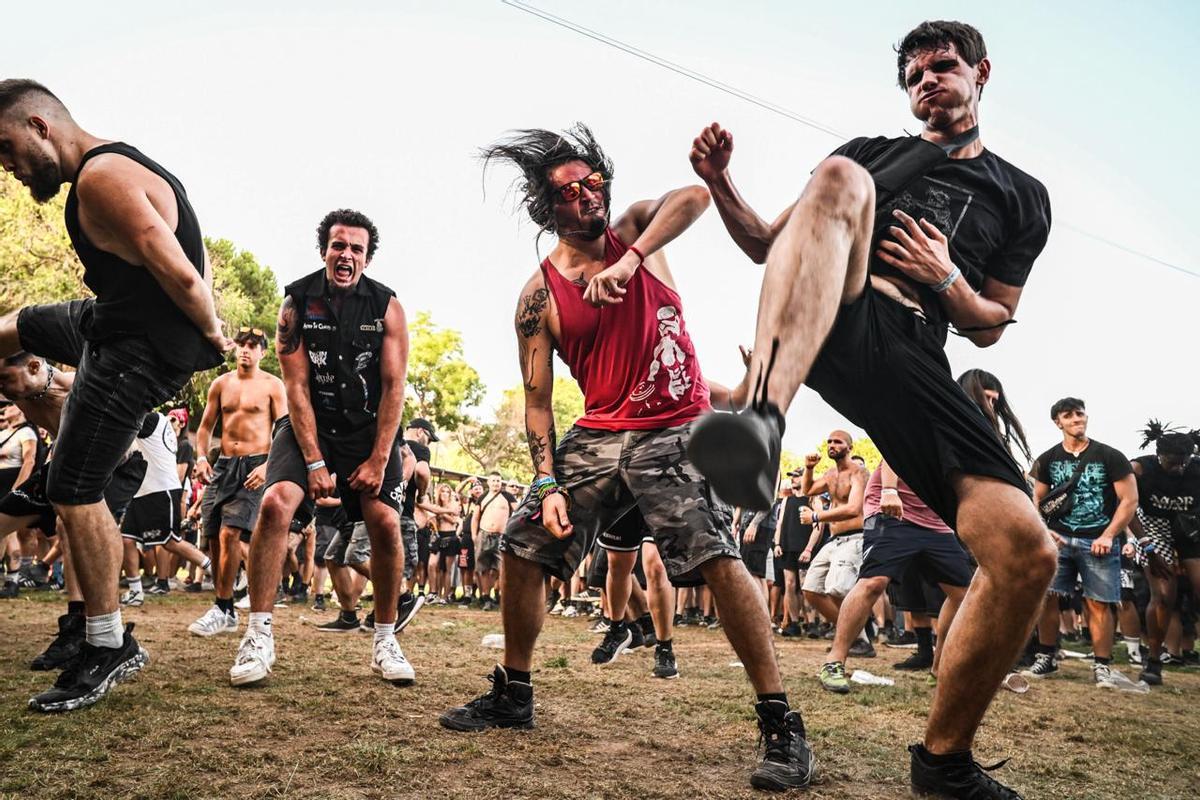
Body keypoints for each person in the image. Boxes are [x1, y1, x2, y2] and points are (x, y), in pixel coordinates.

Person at [683, 21, 1056, 796]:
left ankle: (943, 764)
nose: (927, 80)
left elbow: (992, 319)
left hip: (917, 352)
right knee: (842, 176)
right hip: (838, 314)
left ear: (980, 73)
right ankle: (759, 417)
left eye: (942, 66)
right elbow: (764, 244)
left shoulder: (1022, 194)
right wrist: (721, 181)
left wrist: (949, 277)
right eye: (914, 72)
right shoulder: (875, 153)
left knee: (1027, 553)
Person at [439, 124, 814, 791]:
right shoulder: (539, 295)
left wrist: (634, 258)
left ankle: (780, 721)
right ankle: (514, 694)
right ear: (545, 206)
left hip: (675, 428)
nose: (589, 195)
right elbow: (535, 402)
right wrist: (547, 480)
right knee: (522, 543)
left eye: (595, 182)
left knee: (714, 552)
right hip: (597, 432)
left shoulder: (641, 232)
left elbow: (694, 197)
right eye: (571, 189)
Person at [0, 79, 229, 712]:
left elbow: (182, 270)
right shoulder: (123, 163)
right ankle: (89, 625)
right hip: (113, 320)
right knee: (24, 326)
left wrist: (212, 333)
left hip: (137, 347)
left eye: (9, 149)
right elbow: (190, 256)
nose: (10, 168)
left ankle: (107, 643)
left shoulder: (99, 179)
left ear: (42, 126)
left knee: (72, 486)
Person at [226, 209, 412, 687]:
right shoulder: (296, 302)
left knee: (386, 520)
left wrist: (376, 458)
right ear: (324, 250)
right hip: (311, 424)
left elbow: (394, 389)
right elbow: (297, 387)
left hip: (370, 430)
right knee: (275, 502)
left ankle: (386, 637)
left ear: (367, 258)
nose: (345, 254)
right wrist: (312, 461)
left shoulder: (387, 307)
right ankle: (258, 635)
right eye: (338, 245)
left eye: (356, 248)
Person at [1027, 398, 1137, 688]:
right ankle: (1046, 657)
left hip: (1098, 539)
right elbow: (1035, 501)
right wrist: (1044, 532)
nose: (1077, 418)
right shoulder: (1047, 459)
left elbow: (1129, 500)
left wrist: (1109, 535)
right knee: (1047, 598)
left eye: (1080, 413)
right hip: (1058, 540)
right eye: (1068, 415)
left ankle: (1102, 666)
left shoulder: (1110, 456)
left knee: (1099, 603)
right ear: (1057, 422)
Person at [188, 327, 287, 636]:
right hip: (223, 466)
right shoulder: (221, 384)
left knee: (232, 533)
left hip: (256, 465)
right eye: (242, 344)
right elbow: (205, 427)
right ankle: (226, 609)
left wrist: (270, 466)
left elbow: (285, 430)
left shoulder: (273, 386)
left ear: (263, 352)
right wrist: (202, 457)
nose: (246, 349)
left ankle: (222, 604)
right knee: (215, 536)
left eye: (253, 345)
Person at [1129, 421, 1200, 686]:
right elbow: (1126, 506)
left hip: (1191, 527)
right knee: (1164, 596)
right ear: (1160, 456)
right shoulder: (1139, 468)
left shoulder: (1196, 468)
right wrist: (1148, 546)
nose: (1180, 468)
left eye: (1185, 462)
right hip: (1152, 529)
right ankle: (1154, 661)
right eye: (1173, 463)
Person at [798, 431, 870, 662]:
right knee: (811, 588)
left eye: (837, 442)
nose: (832, 445)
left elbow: (853, 508)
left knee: (837, 589)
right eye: (829, 441)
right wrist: (809, 468)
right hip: (834, 540)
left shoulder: (859, 472)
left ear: (849, 447)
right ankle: (855, 637)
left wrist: (817, 517)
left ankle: (860, 639)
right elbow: (807, 490)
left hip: (855, 537)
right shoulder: (830, 474)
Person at [472, 471, 513, 611]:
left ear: (501, 483)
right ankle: (485, 596)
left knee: (499, 569)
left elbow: (518, 513)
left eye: (498, 481)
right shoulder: (482, 497)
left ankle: (499, 596)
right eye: (493, 480)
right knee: (483, 568)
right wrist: (474, 535)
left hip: (501, 536)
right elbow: (475, 518)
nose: (496, 483)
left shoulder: (508, 496)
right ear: (488, 482)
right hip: (484, 534)